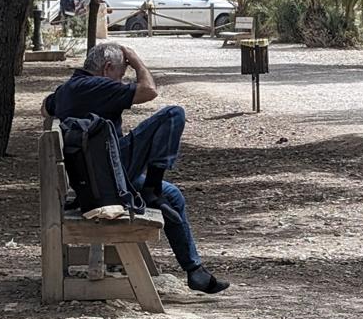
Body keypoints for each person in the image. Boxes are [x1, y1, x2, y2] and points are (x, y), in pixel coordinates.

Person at [40, 42, 229, 294]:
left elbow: (45, 107)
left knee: (172, 195)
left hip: (97, 176)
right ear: (108, 68)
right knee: (173, 114)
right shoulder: (97, 86)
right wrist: (136, 59)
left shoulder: (67, 90)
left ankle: (195, 271)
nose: (123, 79)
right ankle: (151, 188)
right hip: (109, 176)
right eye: (122, 72)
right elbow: (149, 90)